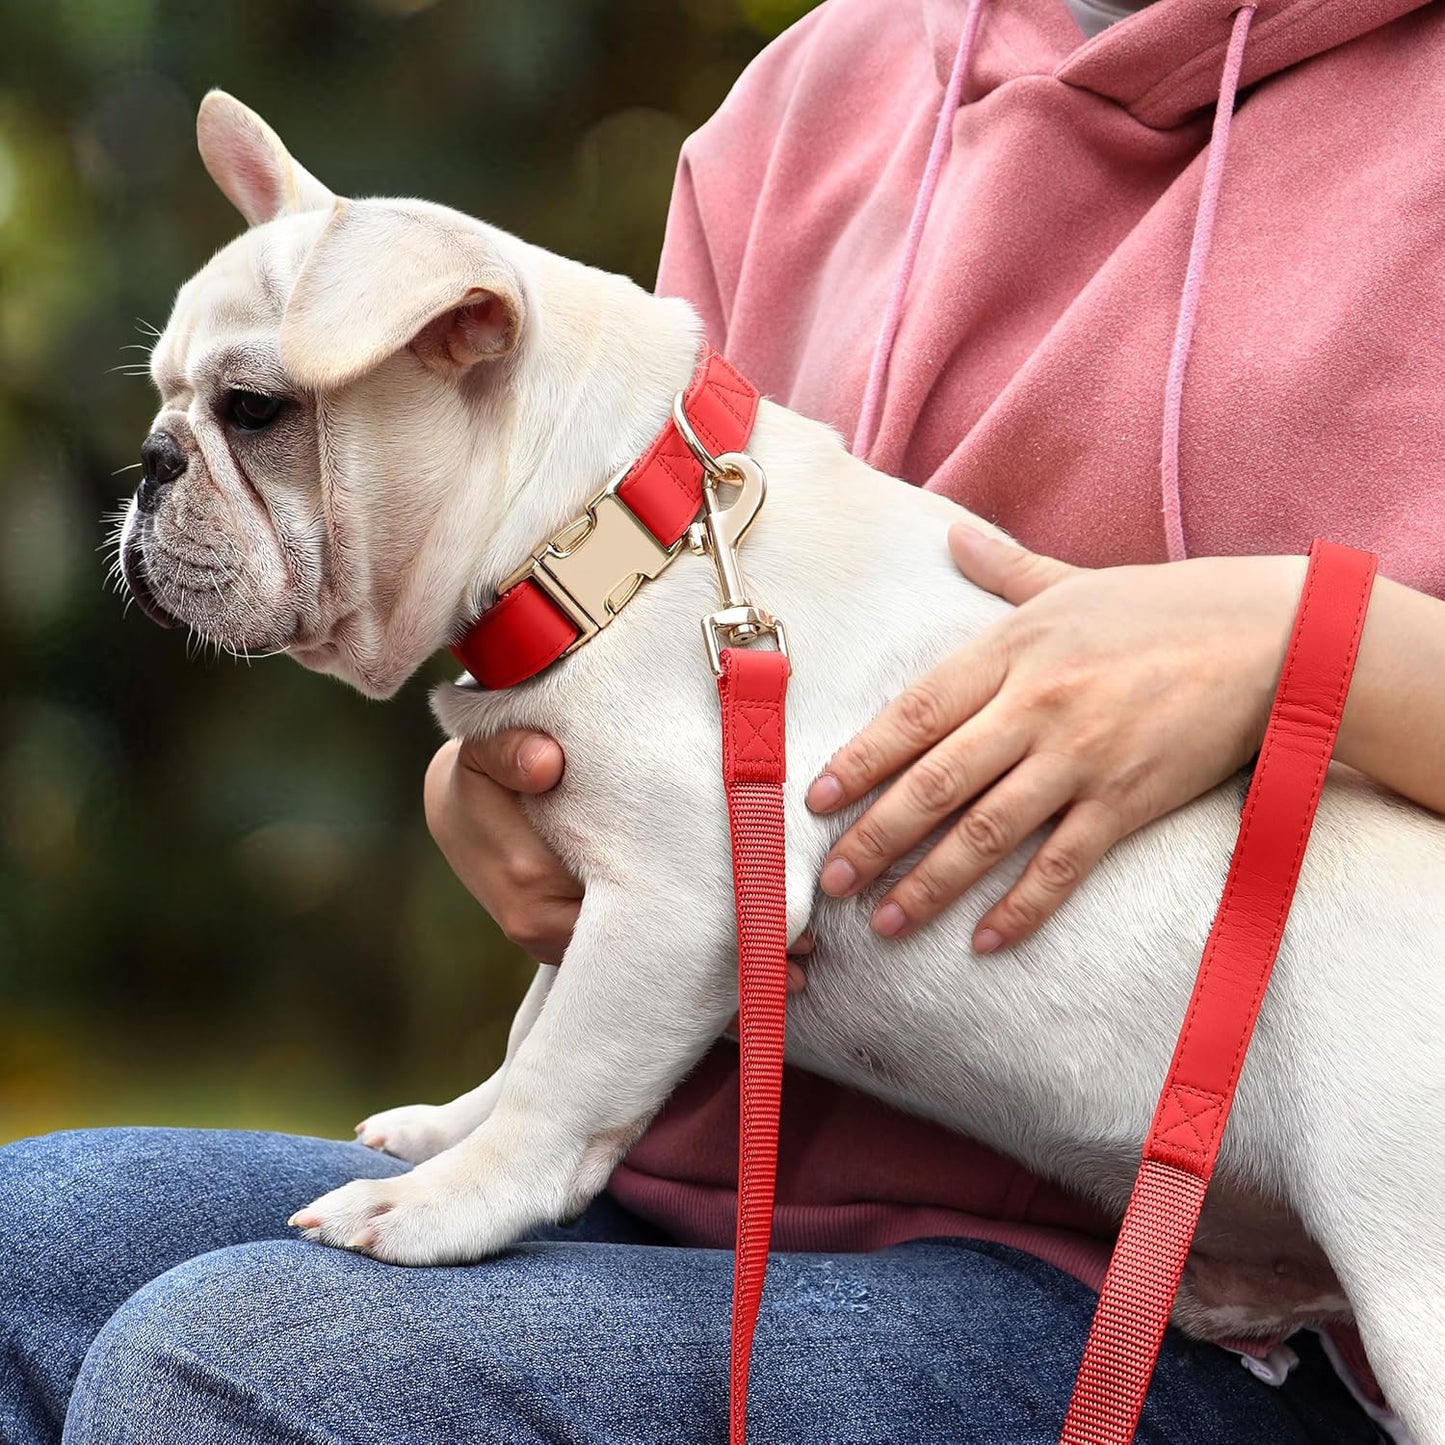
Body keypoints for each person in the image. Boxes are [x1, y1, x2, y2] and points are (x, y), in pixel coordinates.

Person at [3, 1, 1441, 1440]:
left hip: (1233, 1253)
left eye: (257, 411)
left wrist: (1312, 647)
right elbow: (639, 658)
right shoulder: (817, 89)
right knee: (28, 1248)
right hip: (715, 1168)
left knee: (242, 1363)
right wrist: (509, 791)